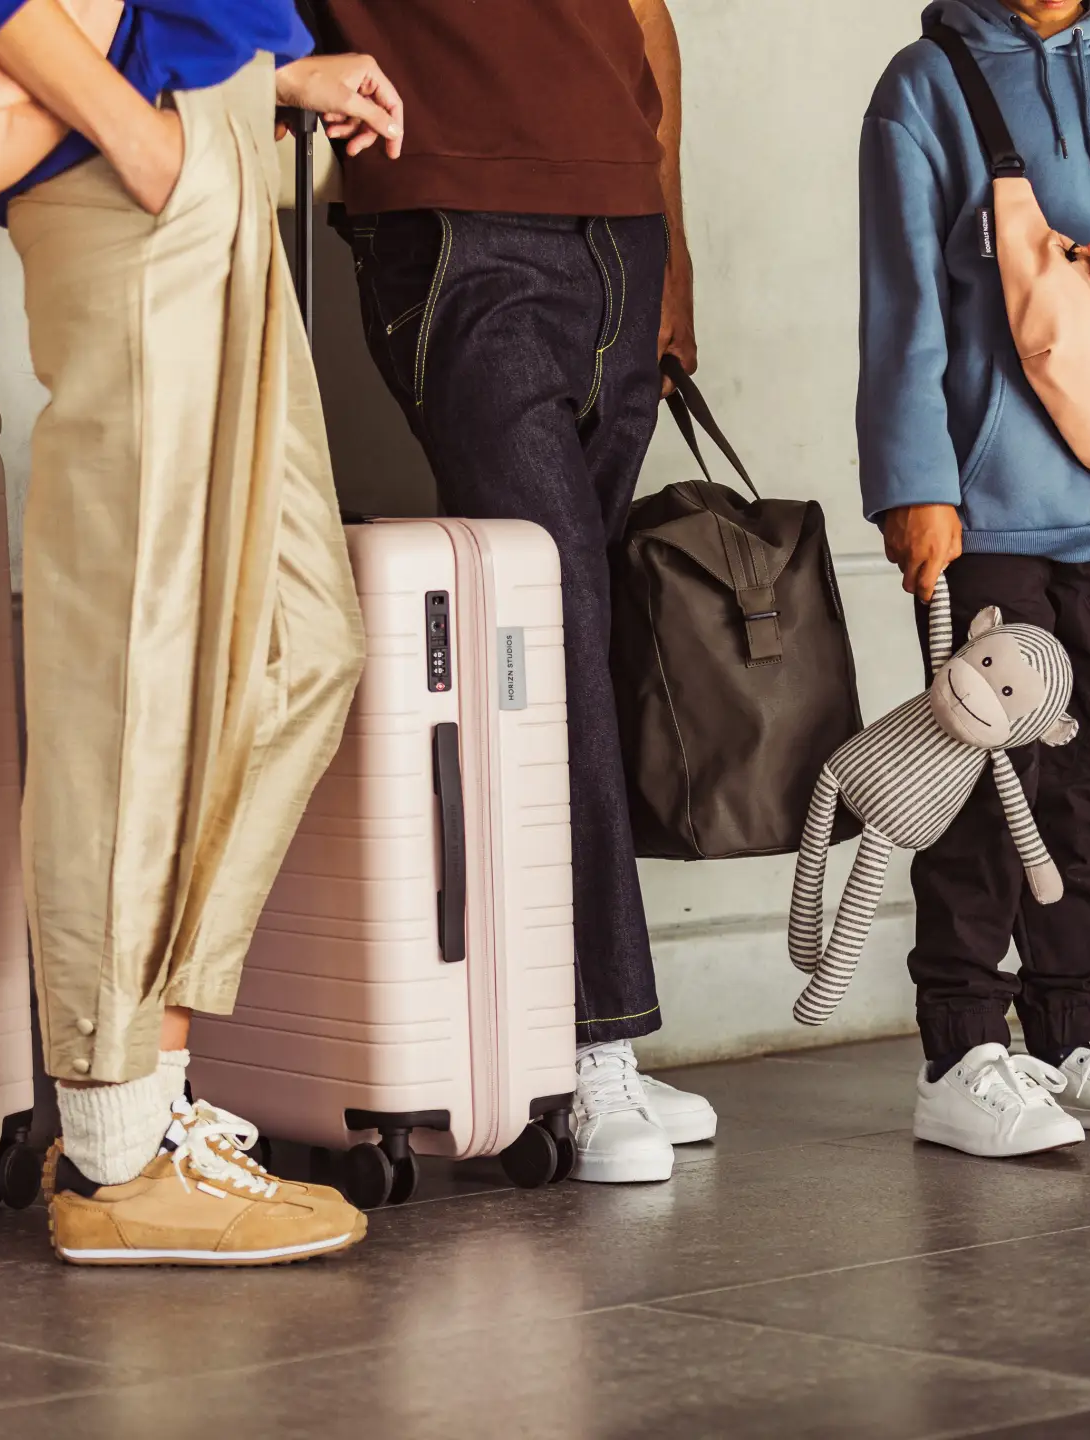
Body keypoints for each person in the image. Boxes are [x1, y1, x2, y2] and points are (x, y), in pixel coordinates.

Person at [0, 0, 404, 1263]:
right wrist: (131, 126)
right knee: (133, 667)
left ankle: (144, 1104)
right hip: (125, 154)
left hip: (209, 130)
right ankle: (118, 1145)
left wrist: (268, 66)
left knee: (299, 643)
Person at [305, 0, 716, 1184]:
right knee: (555, 624)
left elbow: (646, 16)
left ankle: (562, 1028)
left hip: (619, 231)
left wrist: (670, 238)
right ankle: (587, 1047)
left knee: (577, 632)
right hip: (455, 223)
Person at [860, 0, 1090, 1157]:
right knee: (983, 772)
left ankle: (1074, 1031)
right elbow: (901, 306)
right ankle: (961, 1048)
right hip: (986, 504)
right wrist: (915, 484)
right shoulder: (925, 82)